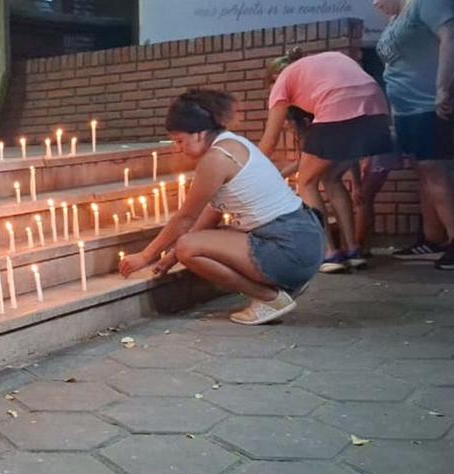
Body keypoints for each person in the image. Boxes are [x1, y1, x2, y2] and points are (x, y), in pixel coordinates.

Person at [119, 90, 324, 325]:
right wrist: (171, 256)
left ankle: (270, 298)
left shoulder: (216, 159)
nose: (178, 149)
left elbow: (186, 218)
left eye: (180, 141)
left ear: (199, 133)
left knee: (188, 247)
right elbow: (212, 213)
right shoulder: (233, 143)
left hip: (289, 247)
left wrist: (146, 256)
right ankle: (289, 280)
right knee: (197, 242)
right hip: (306, 239)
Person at [371, 0, 454, 270]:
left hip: (429, 104)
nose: (374, 2)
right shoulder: (394, 21)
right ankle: (433, 238)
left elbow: (452, 36)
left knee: (437, 169)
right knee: (423, 171)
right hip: (406, 111)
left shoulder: (426, 0)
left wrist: (444, 89)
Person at [258, 48, 393, 272]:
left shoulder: (283, 83)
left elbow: (269, 141)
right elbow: (343, 148)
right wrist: (357, 184)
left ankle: (330, 254)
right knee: (331, 178)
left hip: (340, 111)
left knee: (306, 183)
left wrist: (249, 170)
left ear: (273, 79)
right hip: (378, 113)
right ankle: (353, 250)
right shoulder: (324, 65)